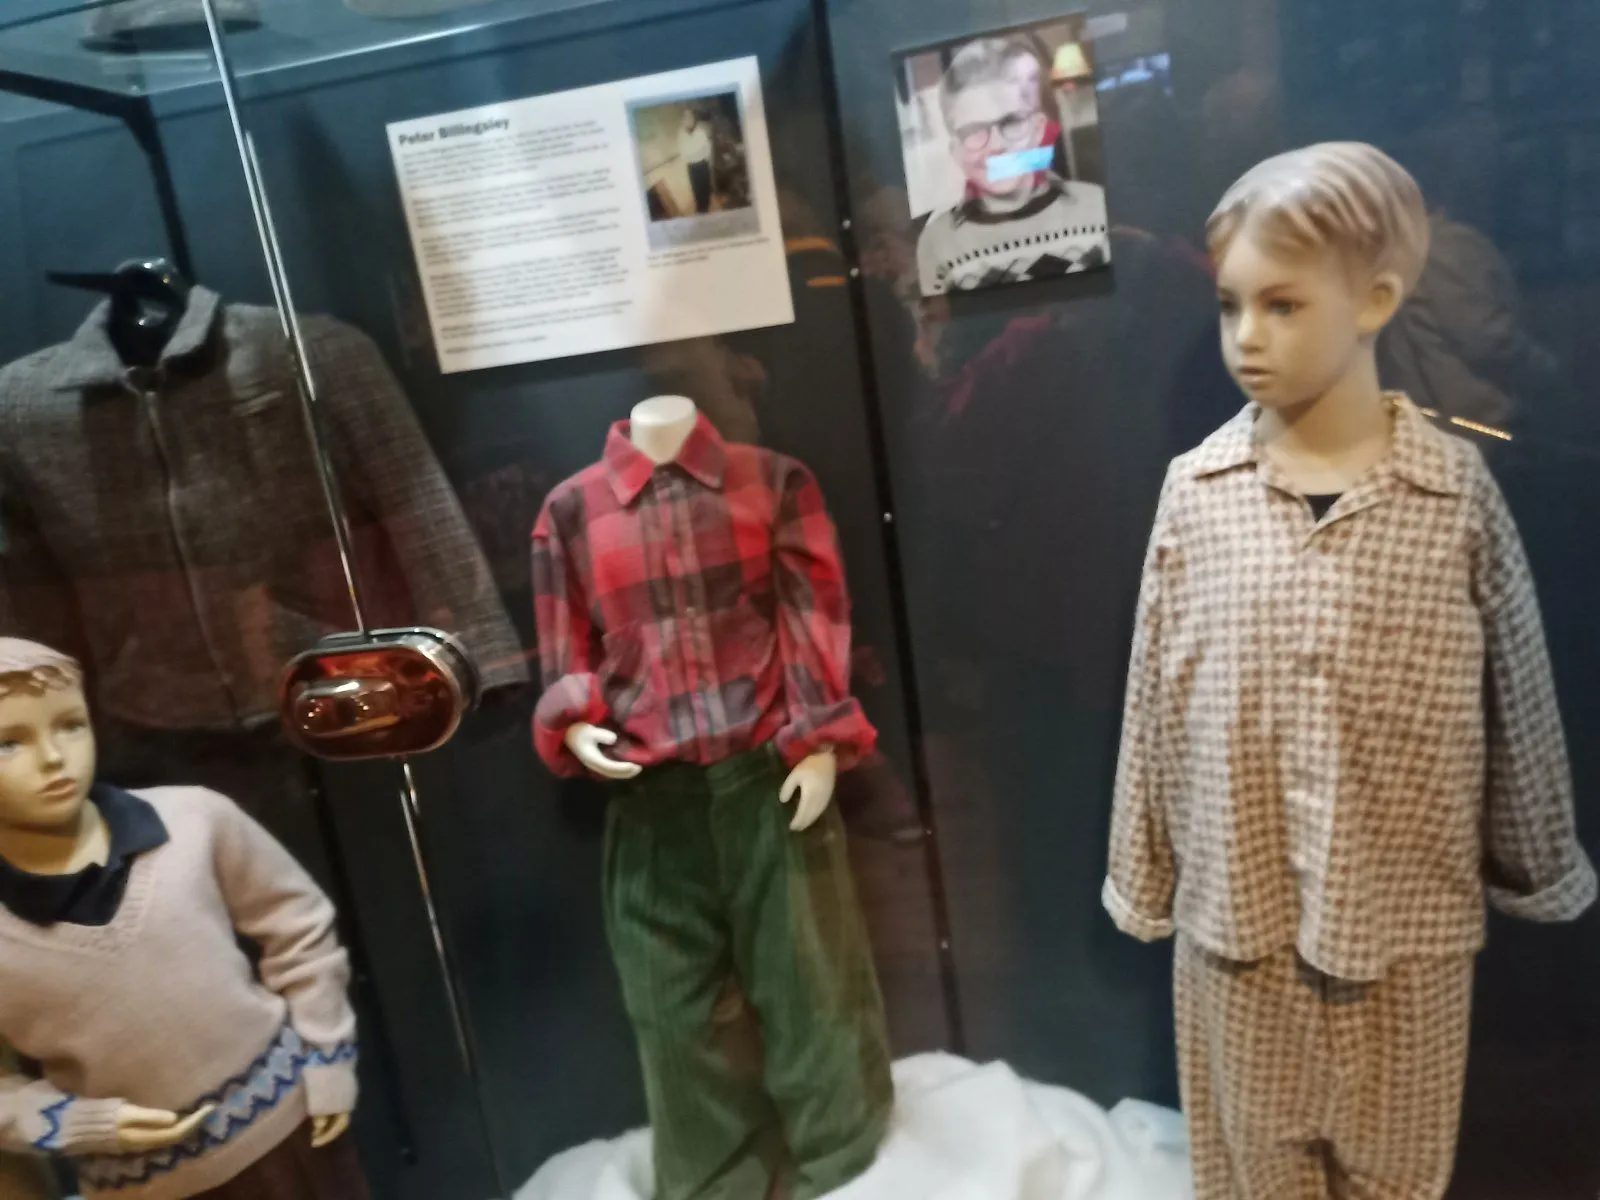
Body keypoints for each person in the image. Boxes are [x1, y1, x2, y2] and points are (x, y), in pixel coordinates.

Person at [915, 37, 1110, 295]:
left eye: (1012, 122)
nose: (997, 146)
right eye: (974, 130)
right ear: (956, 152)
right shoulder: (937, 244)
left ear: (1038, 130)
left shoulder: (1098, 208)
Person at [679, 108, 714, 215]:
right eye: (686, 118)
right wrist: (693, 152)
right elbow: (683, 152)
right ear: (683, 120)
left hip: (702, 164)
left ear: (694, 119)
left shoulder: (700, 132)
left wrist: (706, 160)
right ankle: (701, 211)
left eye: (690, 117)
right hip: (692, 166)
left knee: (706, 189)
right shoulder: (681, 134)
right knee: (696, 191)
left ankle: (706, 209)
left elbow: (707, 148)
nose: (688, 120)